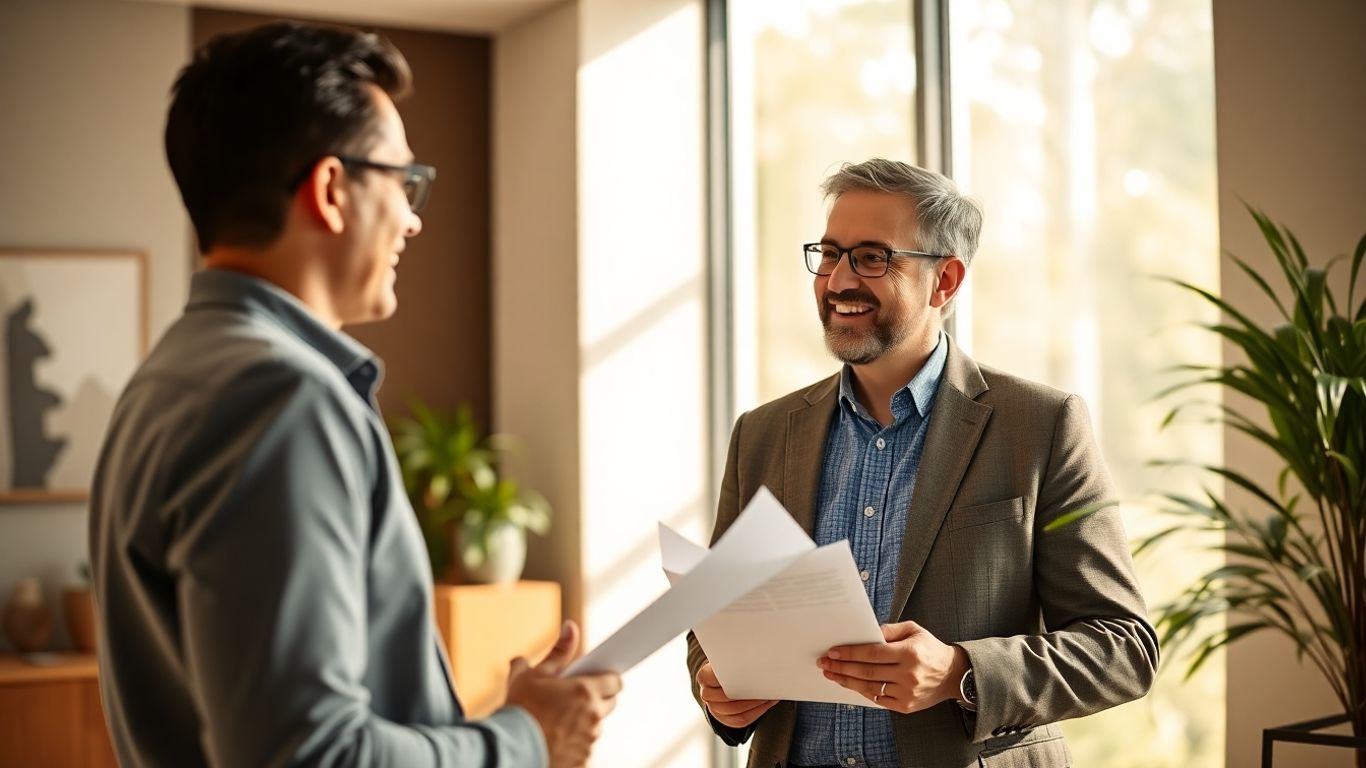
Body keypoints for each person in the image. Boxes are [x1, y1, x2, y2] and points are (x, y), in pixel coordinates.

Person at [89, 21, 620, 767]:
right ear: (333, 189)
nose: (412, 217)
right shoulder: (281, 401)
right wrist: (524, 741)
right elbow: (307, 755)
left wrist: (493, 727)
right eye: (403, 182)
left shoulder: (166, 380)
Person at [686, 159, 1158, 768]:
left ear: (946, 281)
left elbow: (1123, 649)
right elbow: (718, 618)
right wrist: (715, 683)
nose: (837, 281)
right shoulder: (764, 434)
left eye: (872, 258)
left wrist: (962, 672)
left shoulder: (1041, 426)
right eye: (829, 254)